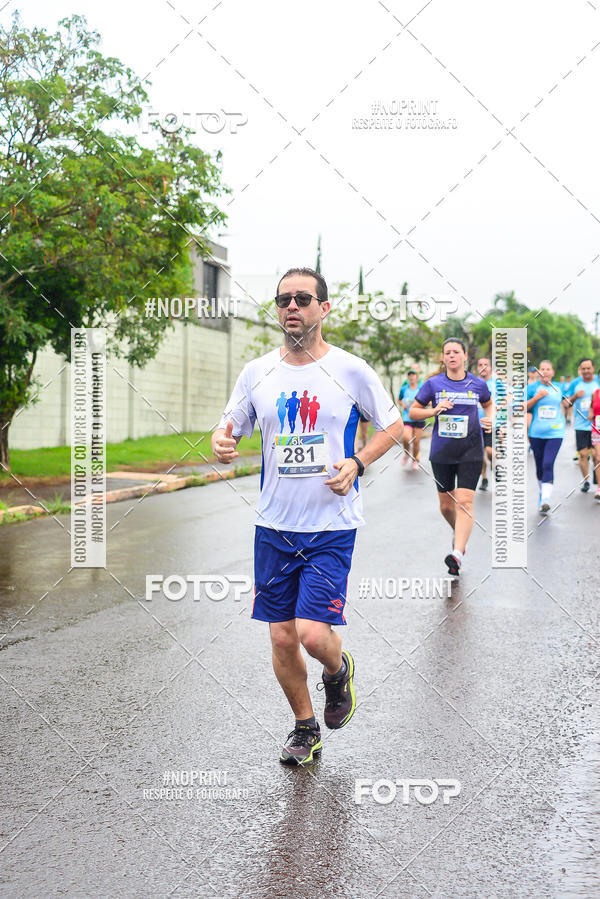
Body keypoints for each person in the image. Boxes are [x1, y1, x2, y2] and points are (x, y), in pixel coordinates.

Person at [211, 266, 403, 766]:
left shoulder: (352, 369)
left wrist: (358, 462)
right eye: (283, 300)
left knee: (313, 634)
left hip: (330, 525)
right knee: (280, 634)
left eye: (302, 298)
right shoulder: (258, 372)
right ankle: (304, 726)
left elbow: (394, 426)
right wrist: (222, 437)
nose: (291, 307)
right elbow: (231, 422)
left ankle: (338, 673)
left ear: (324, 308)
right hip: (274, 525)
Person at [409, 338, 493, 576]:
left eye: (456, 352)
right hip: (442, 452)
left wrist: (490, 417)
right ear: (443, 357)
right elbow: (413, 411)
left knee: (464, 502)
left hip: (471, 451)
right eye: (447, 352)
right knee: (447, 507)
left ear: (465, 356)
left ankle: (457, 552)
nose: (452, 356)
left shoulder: (477, 384)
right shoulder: (433, 384)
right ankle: (460, 537)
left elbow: (488, 404)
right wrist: (433, 411)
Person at [527, 360, 566, 514]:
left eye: (548, 369)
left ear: (553, 372)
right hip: (536, 433)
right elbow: (522, 407)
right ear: (539, 372)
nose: (545, 372)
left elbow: (567, 403)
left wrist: (574, 397)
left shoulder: (559, 387)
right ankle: (542, 493)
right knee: (539, 468)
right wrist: (537, 398)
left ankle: (545, 500)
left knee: (548, 463)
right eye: (542, 369)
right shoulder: (532, 388)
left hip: (556, 432)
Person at [564, 358, 599, 493]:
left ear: (593, 368)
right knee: (583, 454)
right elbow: (566, 404)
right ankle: (586, 481)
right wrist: (574, 397)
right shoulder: (575, 383)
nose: (586, 371)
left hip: (597, 425)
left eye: (588, 368)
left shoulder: (598, 381)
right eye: (583, 369)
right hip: (581, 425)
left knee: (597, 455)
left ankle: (598, 479)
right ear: (580, 370)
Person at [476, 357, 497, 490]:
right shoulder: (472, 383)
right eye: (480, 365)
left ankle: (495, 465)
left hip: (492, 424)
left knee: (490, 451)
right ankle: (484, 478)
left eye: (486, 365)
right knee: (480, 454)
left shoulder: (497, 384)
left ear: (490, 367)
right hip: (475, 424)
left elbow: (507, 401)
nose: (483, 367)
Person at [399, 368, 424, 470]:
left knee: (416, 442)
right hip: (407, 417)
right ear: (408, 377)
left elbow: (428, 400)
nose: (411, 377)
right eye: (410, 375)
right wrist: (403, 404)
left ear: (417, 377)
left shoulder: (421, 388)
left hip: (419, 418)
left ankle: (415, 460)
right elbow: (399, 399)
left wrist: (423, 405)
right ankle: (406, 453)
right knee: (406, 438)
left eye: (413, 375)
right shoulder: (404, 389)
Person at [588, 383, 600, 501]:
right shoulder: (595, 393)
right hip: (597, 429)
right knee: (597, 457)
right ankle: (599, 488)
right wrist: (590, 412)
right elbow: (591, 406)